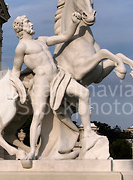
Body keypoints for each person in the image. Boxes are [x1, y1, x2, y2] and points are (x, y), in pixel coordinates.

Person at [12, 15, 98, 159]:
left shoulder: (42, 40)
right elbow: (15, 70)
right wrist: (17, 89)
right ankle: (33, 151)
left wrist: (74, 22)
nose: (31, 23)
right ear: (21, 27)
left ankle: (88, 132)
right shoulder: (22, 47)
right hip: (42, 80)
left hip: (58, 77)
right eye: (28, 22)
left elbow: (64, 36)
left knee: (84, 93)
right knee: (38, 115)